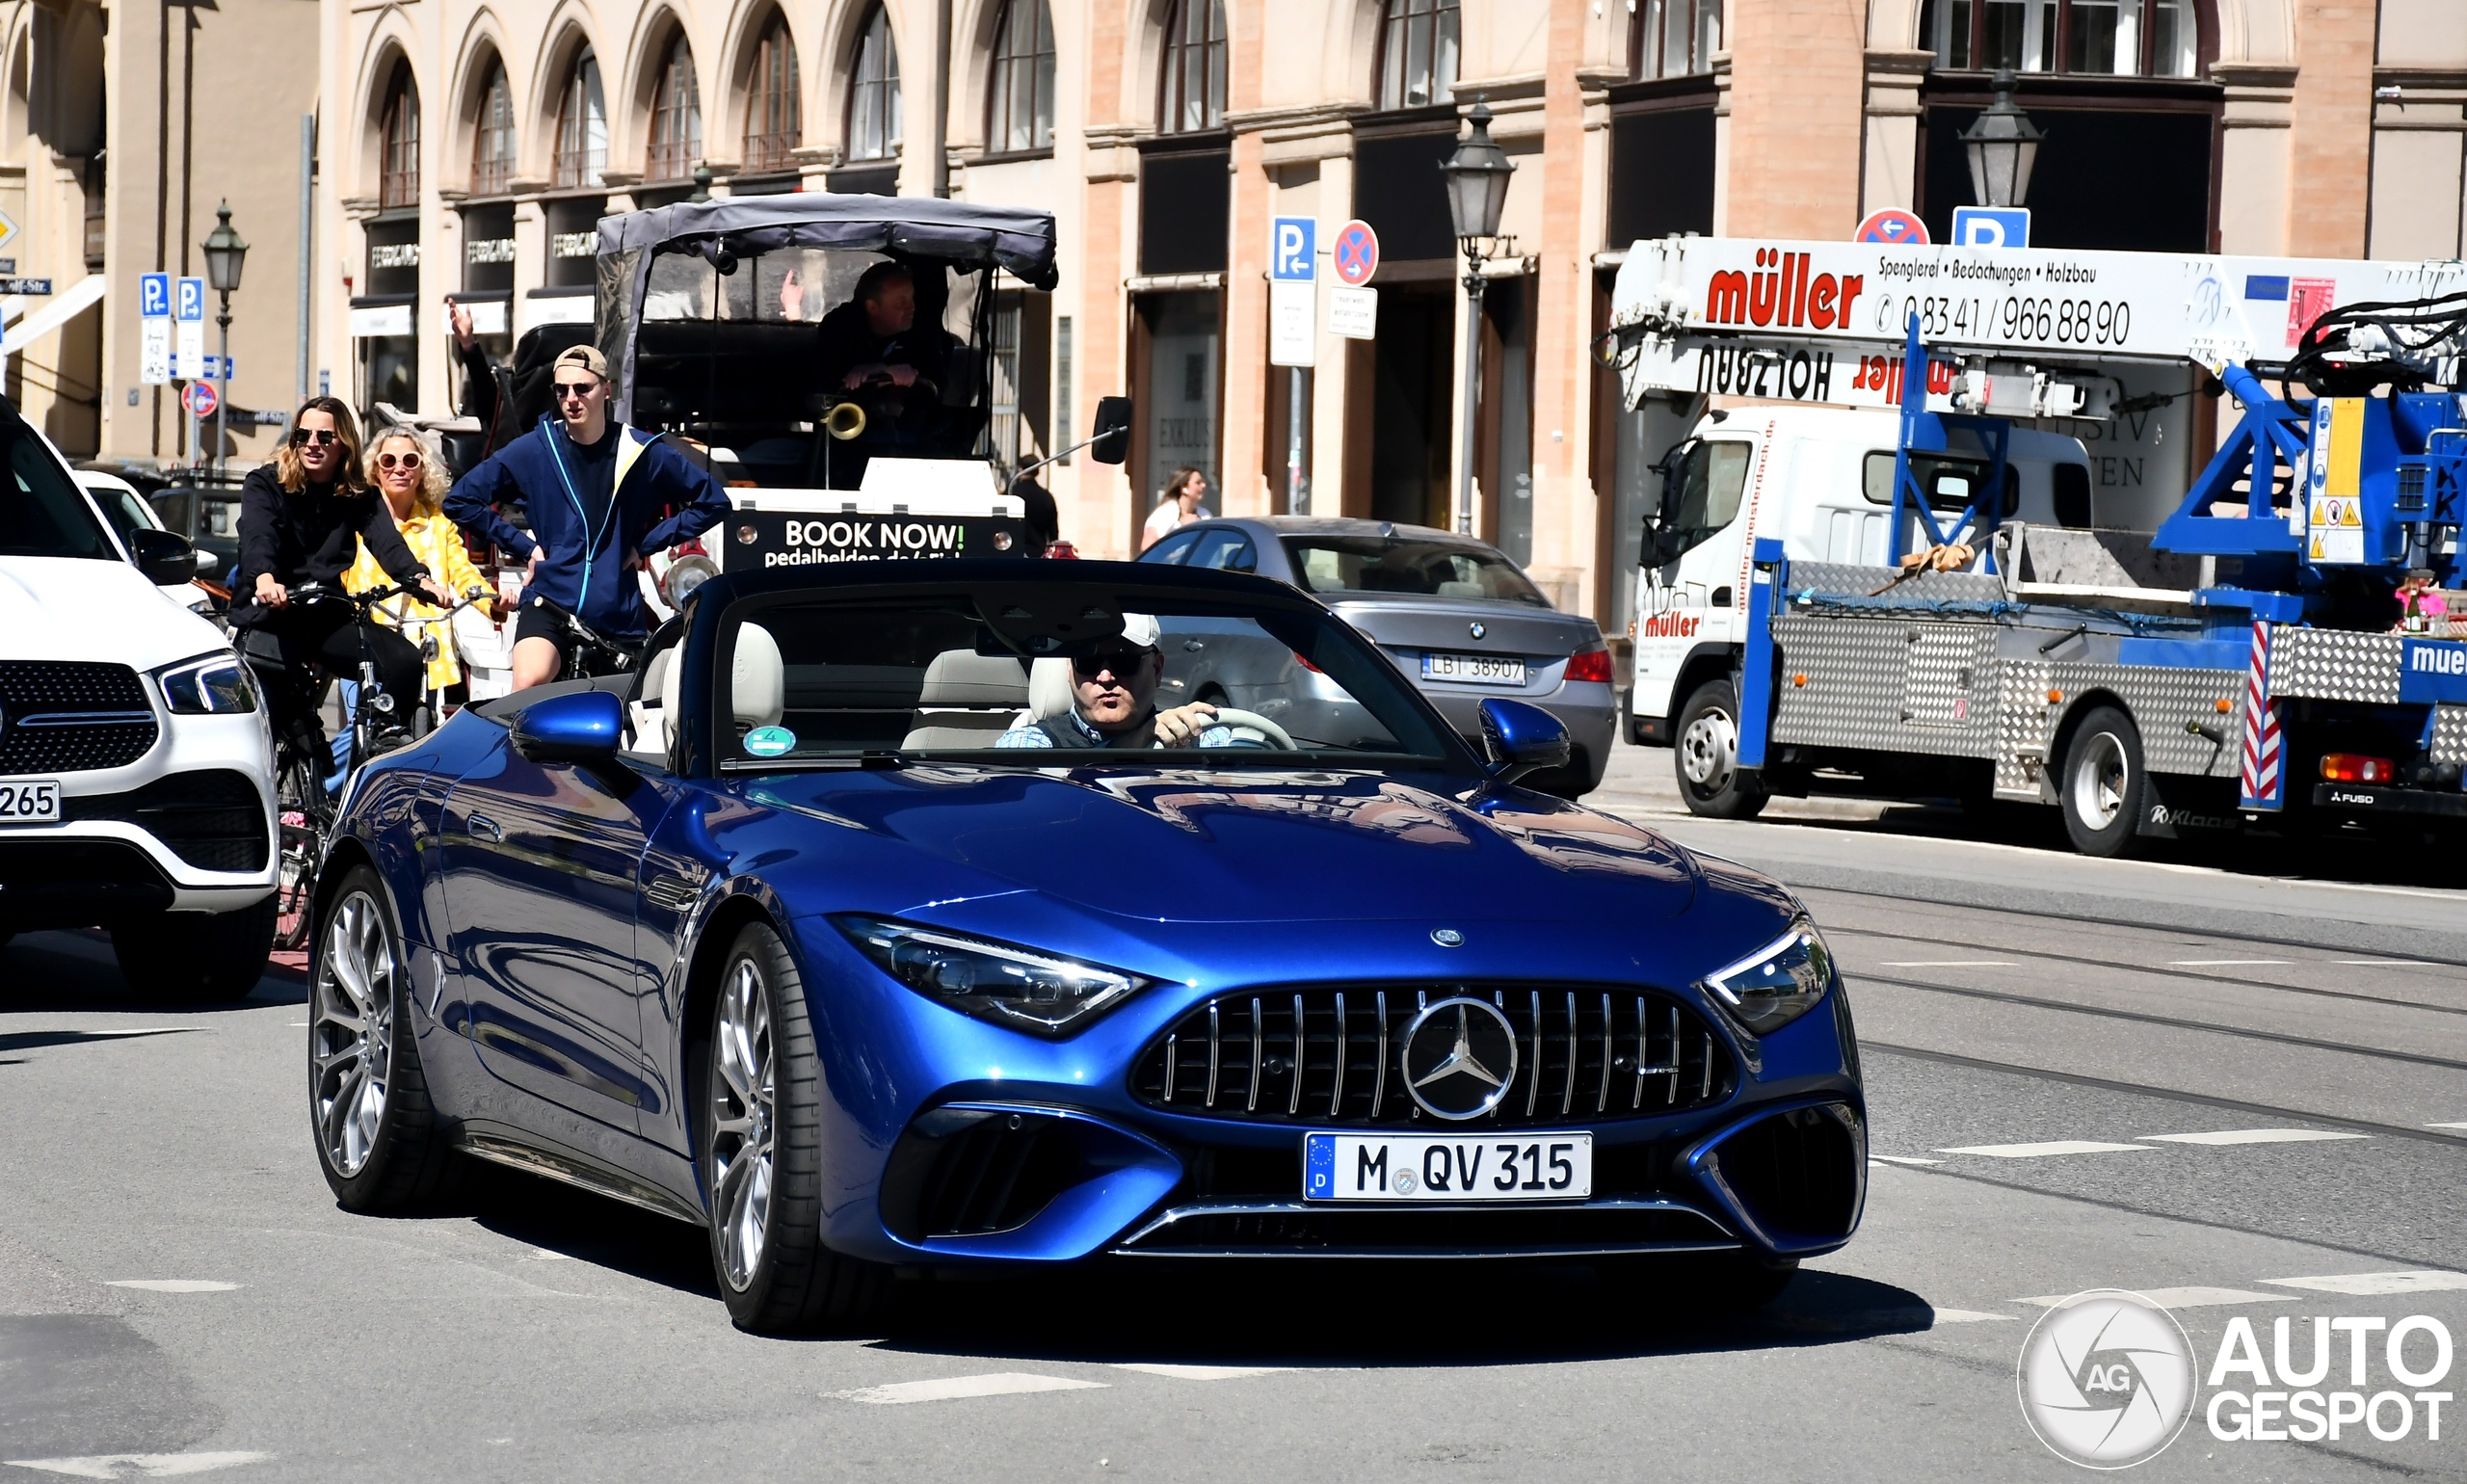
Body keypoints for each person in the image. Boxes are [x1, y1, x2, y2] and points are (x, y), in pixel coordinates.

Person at [444, 344, 730, 690]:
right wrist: (524, 547)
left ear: (607, 390)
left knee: (627, 716)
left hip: (616, 611)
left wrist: (645, 544)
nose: (571, 398)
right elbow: (460, 500)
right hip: (549, 601)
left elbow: (713, 502)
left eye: (583, 388)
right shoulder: (536, 448)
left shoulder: (641, 451)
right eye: (562, 390)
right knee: (527, 684)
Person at [231, 397, 450, 758]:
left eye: (325, 436)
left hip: (324, 615)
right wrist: (265, 578)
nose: (313, 443)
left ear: (345, 443)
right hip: (270, 617)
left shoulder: (358, 493)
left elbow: (386, 540)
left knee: (406, 662)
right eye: (303, 435)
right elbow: (258, 536)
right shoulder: (265, 484)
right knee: (262, 730)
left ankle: (381, 754)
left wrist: (419, 579)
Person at [344, 428, 498, 705]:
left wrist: (491, 603)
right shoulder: (356, 520)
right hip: (367, 642)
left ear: (422, 470)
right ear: (375, 469)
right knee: (363, 731)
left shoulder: (439, 523)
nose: (399, 469)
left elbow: (464, 572)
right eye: (389, 461)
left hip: (425, 647)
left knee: (421, 732)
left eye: (410, 461)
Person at [994, 615, 1224, 750]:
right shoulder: (1030, 744)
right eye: (1088, 661)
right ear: (1069, 668)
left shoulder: (1198, 737)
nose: (1105, 677)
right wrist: (1138, 742)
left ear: (1157, 669)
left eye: (1124, 661)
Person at [1141, 467, 1211, 551]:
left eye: (1202, 482)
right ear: (1184, 488)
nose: (1203, 485)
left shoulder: (1205, 516)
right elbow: (1148, 549)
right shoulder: (1163, 514)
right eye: (1198, 483)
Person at [2393, 568, 2452, 635]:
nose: (2429, 573)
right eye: (2424, 569)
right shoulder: (2398, 597)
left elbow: (2444, 618)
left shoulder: (2433, 598)